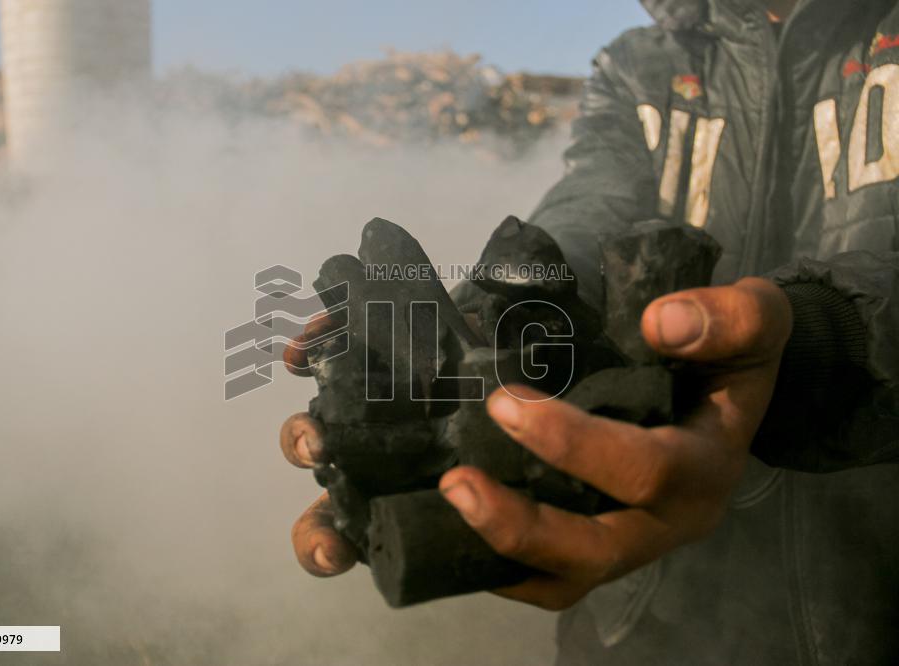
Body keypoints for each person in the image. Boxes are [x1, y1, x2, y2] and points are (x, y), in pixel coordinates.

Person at [278, 0, 899, 663]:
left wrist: (818, 337)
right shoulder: (642, 66)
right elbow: (590, 207)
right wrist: (500, 314)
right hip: (639, 619)